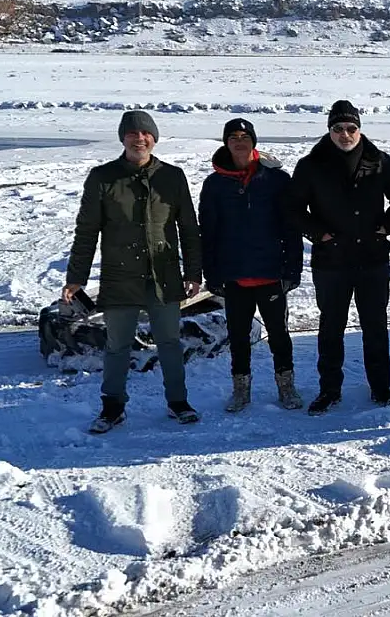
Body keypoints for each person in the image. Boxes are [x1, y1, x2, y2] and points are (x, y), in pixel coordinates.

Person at [64, 110, 203, 434]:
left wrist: (193, 272)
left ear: (154, 138)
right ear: (123, 138)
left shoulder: (173, 177)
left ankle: (178, 402)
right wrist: (76, 278)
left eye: (145, 134)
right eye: (132, 134)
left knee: (169, 341)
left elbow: (189, 228)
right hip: (120, 277)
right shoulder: (103, 178)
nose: (139, 139)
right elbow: (87, 231)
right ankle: (112, 407)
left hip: (163, 276)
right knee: (117, 345)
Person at [287, 100, 390, 414]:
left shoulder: (378, 160)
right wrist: (319, 234)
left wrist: (386, 225)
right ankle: (329, 390)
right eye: (338, 128)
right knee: (331, 328)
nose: (345, 134)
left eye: (351, 128)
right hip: (331, 263)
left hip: (372, 259)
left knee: (375, 327)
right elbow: (291, 208)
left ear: (359, 129)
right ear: (330, 130)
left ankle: (381, 389)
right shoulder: (311, 164)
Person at [199, 117, 304, 413]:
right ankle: (240, 389)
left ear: (254, 141)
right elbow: (208, 232)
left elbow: (291, 228)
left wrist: (292, 268)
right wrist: (212, 273)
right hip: (234, 276)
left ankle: (286, 385)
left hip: (270, 273)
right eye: (233, 136)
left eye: (245, 136)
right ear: (226, 143)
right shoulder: (215, 183)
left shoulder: (276, 179)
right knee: (239, 337)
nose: (239, 141)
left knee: (279, 334)